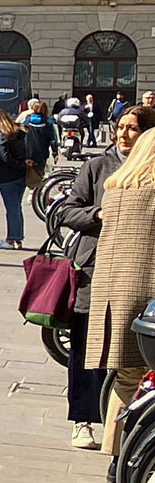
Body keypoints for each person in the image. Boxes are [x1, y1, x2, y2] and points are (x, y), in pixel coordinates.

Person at [56, 104, 151, 451]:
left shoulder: (151, 170)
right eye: (121, 126)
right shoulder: (98, 167)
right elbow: (67, 210)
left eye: (133, 128)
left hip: (135, 275)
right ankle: (83, 419)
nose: (124, 134)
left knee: (128, 360)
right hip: (94, 269)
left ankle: (121, 429)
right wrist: (98, 214)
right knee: (87, 350)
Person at [84, 124, 155, 459]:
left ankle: (116, 456)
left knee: (126, 378)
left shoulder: (115, 189)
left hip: (113, 292)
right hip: (148, 292)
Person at [0, 106, 32, 248]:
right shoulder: (16, 131)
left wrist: (18, 165)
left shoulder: (1, 134)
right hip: (20, 175)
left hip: (6, 175)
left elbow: (5, 157)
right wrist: (22, 166)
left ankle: (12, 239)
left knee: (11, 207)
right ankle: (18, 238)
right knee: (16, 206)